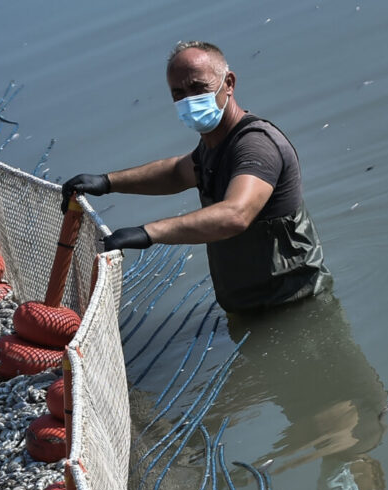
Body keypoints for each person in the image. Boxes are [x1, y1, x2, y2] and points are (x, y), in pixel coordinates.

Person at [61, 41, 332, 313]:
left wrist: (147, 233)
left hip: (297, 305)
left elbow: (235, 215)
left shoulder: (255, 146)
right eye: (178, 93)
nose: (189, 100)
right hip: (249, 306)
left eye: (198, 88)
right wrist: (107, 182)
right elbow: (177, 173)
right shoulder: (213, 145)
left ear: (229, 83)